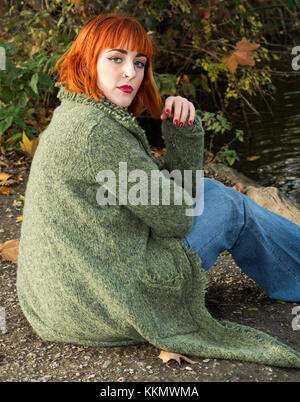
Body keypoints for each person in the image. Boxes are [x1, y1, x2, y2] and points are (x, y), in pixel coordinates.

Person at [16, 13, 300, 368]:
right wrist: (185, 138)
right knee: (229, 205)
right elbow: (176, 219)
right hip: (108, 304)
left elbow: (161, 198)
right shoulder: (96, 134)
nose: (131, 73)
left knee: (210, 189)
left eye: (139, 62)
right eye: (116, 58)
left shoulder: (74, 115)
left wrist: (182, 134)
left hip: (60, 303)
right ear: (87, 60)